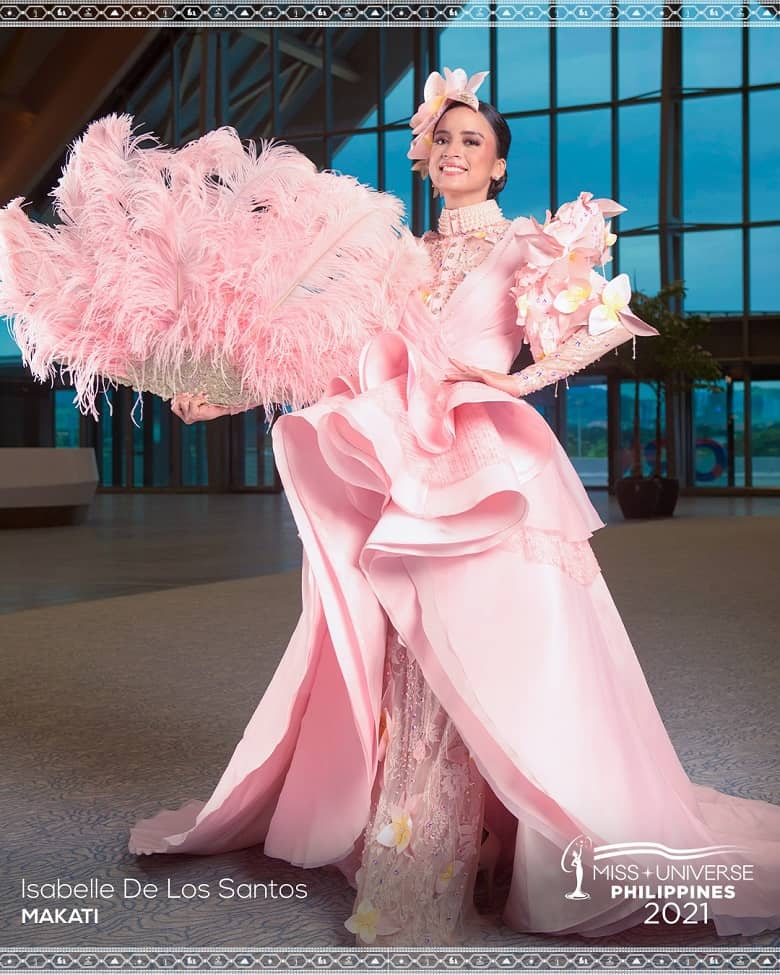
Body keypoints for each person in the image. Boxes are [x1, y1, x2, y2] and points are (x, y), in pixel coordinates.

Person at [130, 67, 780, 945]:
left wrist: (511, 379)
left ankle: (489, 835)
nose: (453, 150)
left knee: (503, 652)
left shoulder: (525, 243)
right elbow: (335, 350)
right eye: (443, 138)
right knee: (415, 647)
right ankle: (440, 839)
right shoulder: (405, 257)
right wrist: (227, 396)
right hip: (403, 458)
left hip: (486, 463)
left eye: (472, 140)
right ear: (425, 155)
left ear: (500, 165)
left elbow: (596, 328)